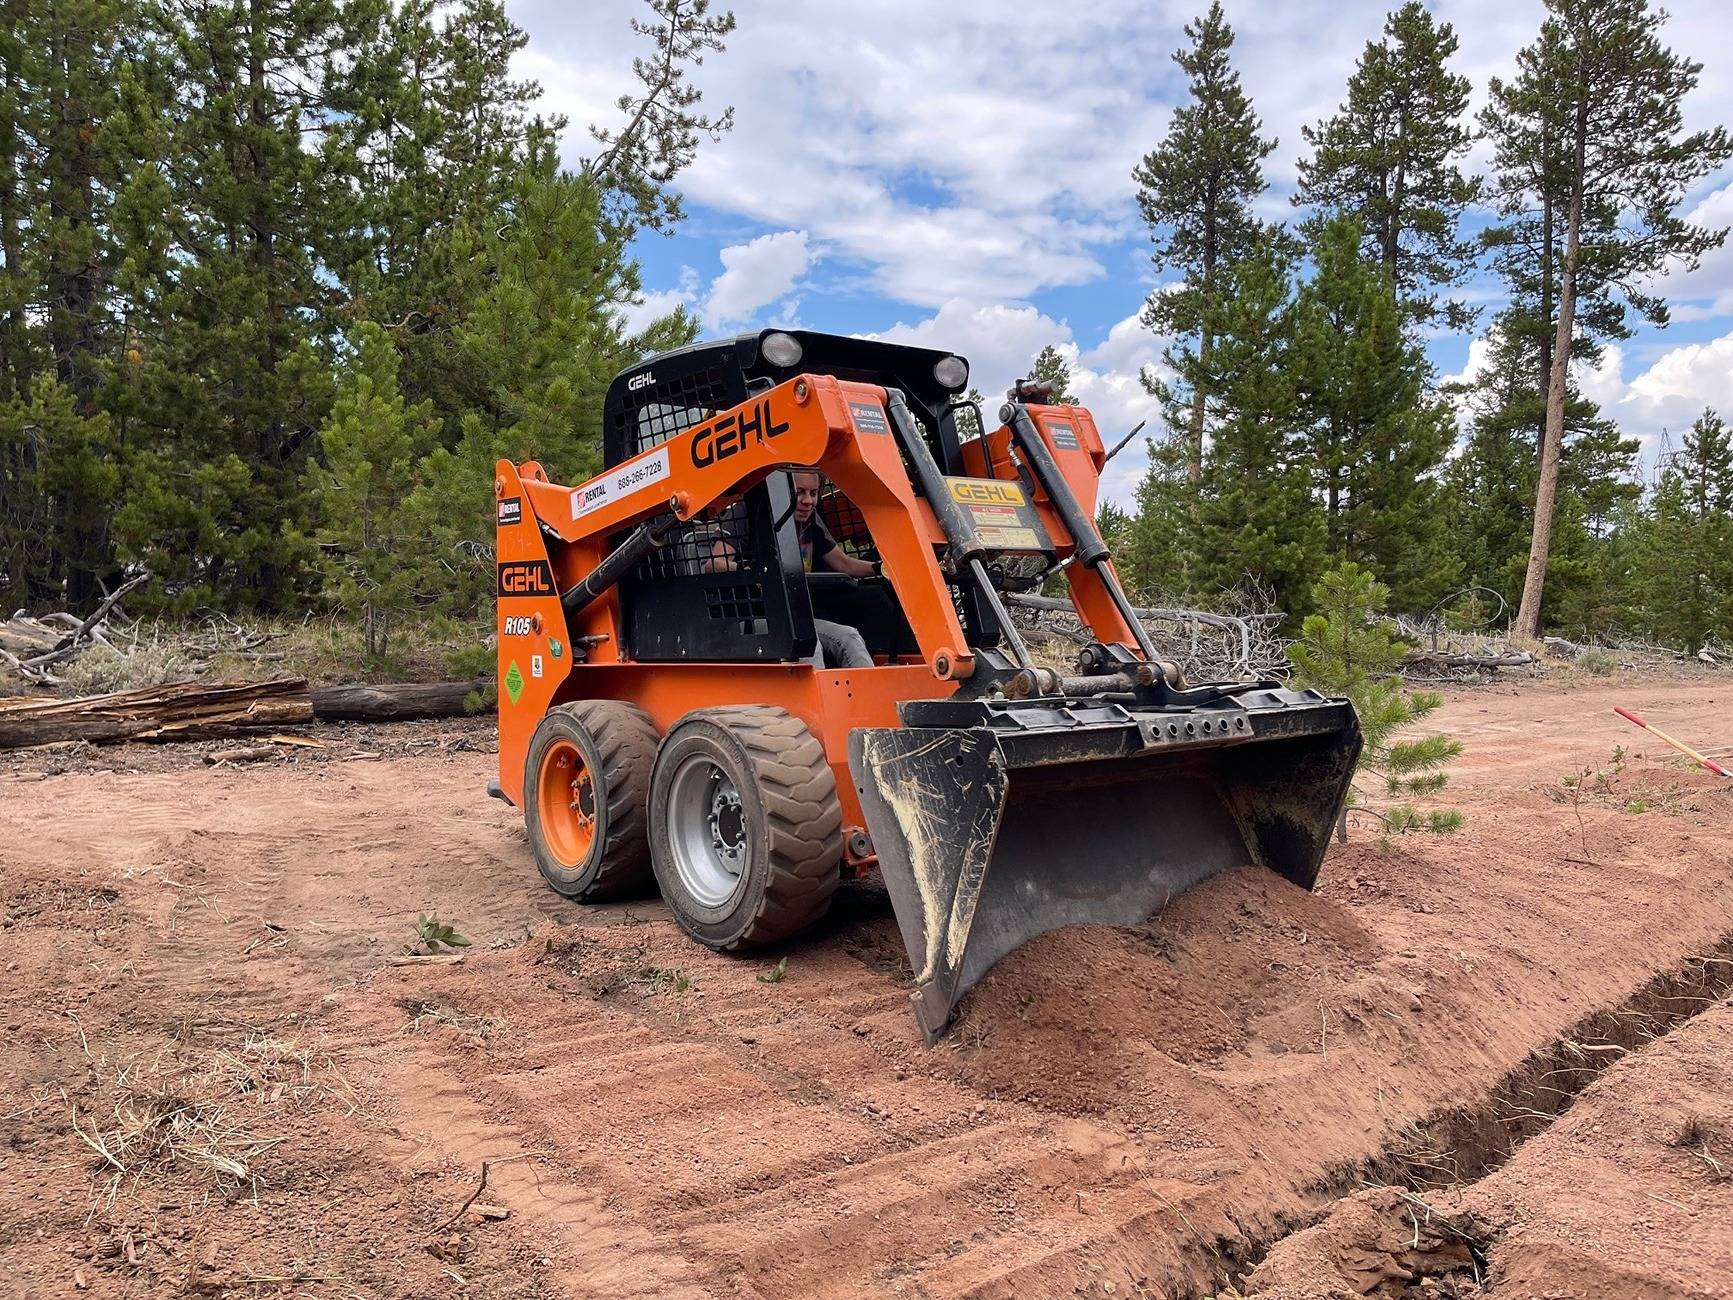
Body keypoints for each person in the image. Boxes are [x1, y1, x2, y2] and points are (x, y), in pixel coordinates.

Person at [703, 469, 876, 668]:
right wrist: (756, 571)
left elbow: (843, 564)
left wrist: (880, 568)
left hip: (792, 617)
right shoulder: (747, 511)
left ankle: (871, 699)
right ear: (782, 490)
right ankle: (818, 699)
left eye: (813, 493)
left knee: (849, 638)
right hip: (750, 618)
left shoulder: (809, 519)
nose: (808, 501)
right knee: (809, 645)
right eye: (800, 492)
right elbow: (714, 564)